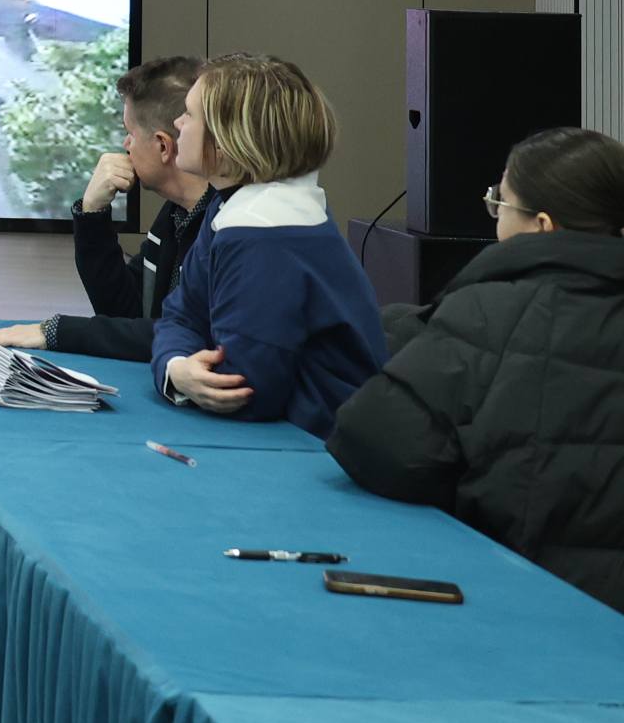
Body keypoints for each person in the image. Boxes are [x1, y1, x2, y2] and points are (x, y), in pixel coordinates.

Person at [326, 127, 624, 612]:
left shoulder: (488, 311)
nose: (495, 216)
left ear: (542, 225)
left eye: (500, 203)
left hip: (521, 602)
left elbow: (373, 442)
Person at [149, 52, 386, 437]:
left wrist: (179, 370)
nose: (177, 122)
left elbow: (243, 391)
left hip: (314, 446)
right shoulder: (231, 205)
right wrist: (176, 367)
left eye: (189, 114)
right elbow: (180, 314)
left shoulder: (263, 233)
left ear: (227, 142)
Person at [0, 55, 204, 361]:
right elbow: (125, 313)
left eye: (130, 133)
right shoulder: (175, 215)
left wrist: (54, 332)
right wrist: (92, 214)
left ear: (162, 145)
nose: (125, 145)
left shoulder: (227, 224)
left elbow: (191, 336)